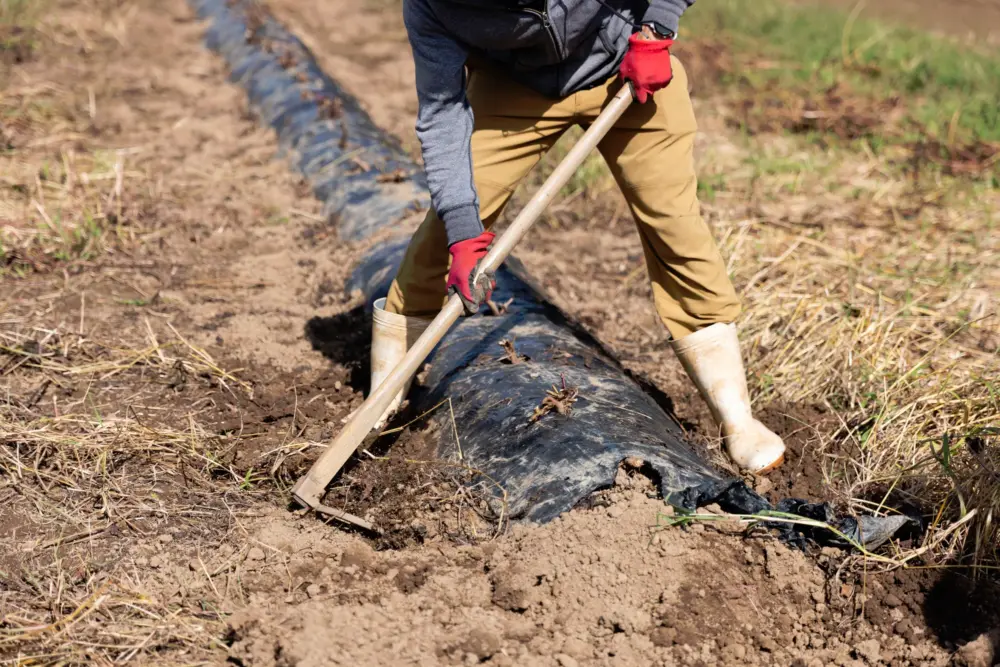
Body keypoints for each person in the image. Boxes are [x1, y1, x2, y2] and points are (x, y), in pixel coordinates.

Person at [369, 0, 786, 473]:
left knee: (674, 223)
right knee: (444, 230)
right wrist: (464, 230)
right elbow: (441, 114)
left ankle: (738, 420)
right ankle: (384, 395)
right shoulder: (432, 6)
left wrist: (657, 24)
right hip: (516, 87)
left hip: (626, 61)